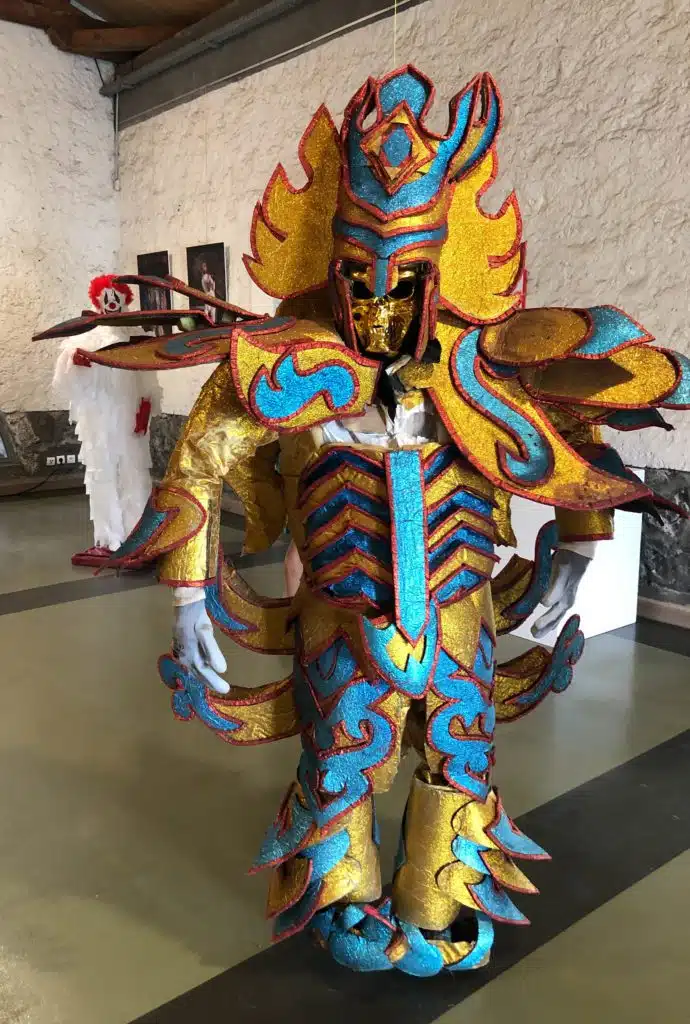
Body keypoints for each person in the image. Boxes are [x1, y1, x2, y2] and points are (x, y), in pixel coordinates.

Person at [40, 67, 689, 975]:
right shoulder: (283, 358)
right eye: (360, 272)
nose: (381, 295)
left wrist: (582, 543)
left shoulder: (485, 357)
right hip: (338, 602)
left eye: (406, 273)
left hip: (459, 601)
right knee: (340, 739)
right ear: (332, 259)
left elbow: (565, 430)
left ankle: (443, 896)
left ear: (442, 259)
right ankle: (341, 891)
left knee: (459, 743)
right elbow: (201, 460)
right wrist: (187, 596)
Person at [52, 275, 161, 566]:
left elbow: (147, 376)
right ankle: (109, 538)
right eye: (106, 297)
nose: (111, 302)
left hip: (129, 416)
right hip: (98, 420)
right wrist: (75, 363)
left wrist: (146, 406)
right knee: (102, 474)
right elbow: (66, 368)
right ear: (97, 300)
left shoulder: (134, 335)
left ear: (125, 299)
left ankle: (137, 534)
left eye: (117, 297)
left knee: (133, 472)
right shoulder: (86, 337)